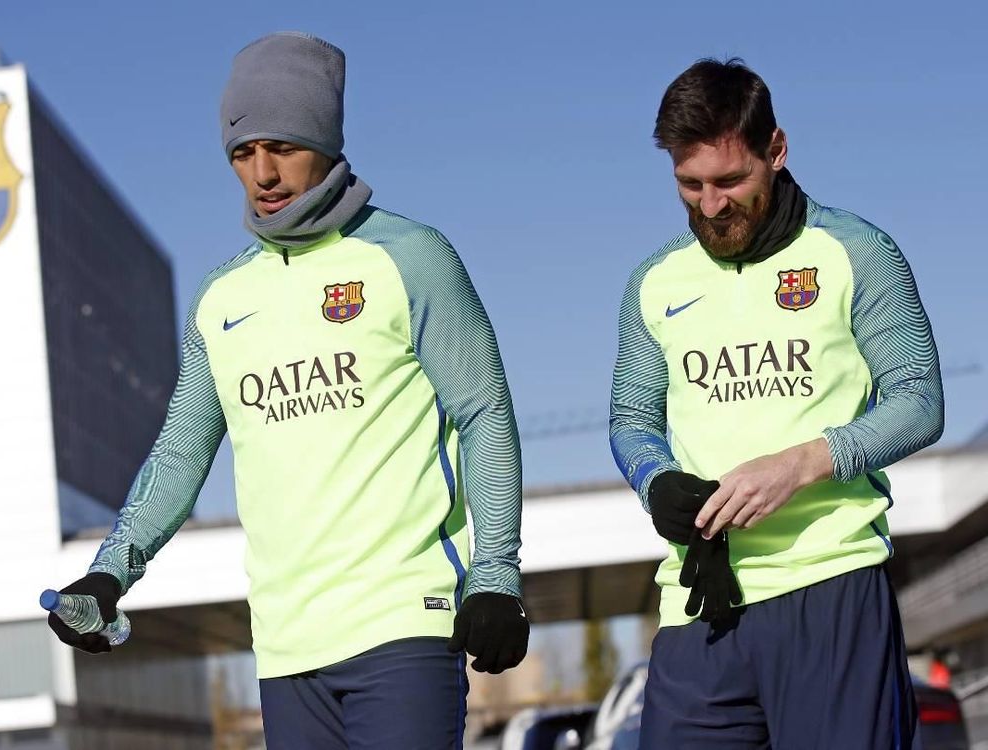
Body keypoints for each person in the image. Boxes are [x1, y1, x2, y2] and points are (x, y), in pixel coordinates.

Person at [47, 31, 528, 749]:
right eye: (242, 153)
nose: (263, 173)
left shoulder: (410, 258)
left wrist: (495, 575)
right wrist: (108, 573)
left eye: (284, 146)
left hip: (402, 622)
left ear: (327, 143)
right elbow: (181, 450)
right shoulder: (222, 299)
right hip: (285, 648)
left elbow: (485, 412)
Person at [609, 58, 944, 748]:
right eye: (689, 184)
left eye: (730, 180)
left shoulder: (856, 252)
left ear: (777, 150)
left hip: (830, 588)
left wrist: (801, 464)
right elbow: (631, 421)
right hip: (700, 602)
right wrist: (655, 481)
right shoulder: (653, 281)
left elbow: (919, 399)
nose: (710, 204)